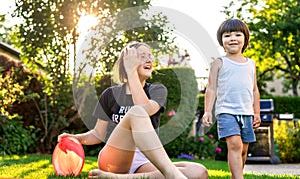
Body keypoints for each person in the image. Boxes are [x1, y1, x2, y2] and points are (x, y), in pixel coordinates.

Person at [58, 41, 208, 179]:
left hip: (143, 161)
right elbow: (98, 133)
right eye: (142, 57)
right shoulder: (110, 94)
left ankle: (120, 178)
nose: (149, 60)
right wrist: (77, 138)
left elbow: (145, 108)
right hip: (114, 158)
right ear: (128, 62)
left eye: (150, 56)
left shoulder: (158, 90)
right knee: (136, 113)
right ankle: (171, 175)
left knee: (199, 172)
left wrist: (133, 75)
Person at [201, 19, 261, 179]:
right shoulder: (219, 63)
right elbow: (211, 88)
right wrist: (207, 111)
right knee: (235, 144)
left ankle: (236, 176)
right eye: (227, 35)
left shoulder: (251, 64)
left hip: (247, 113)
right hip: (227, 112)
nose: (232, 38)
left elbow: (255, 90)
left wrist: (257, 112)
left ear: (245, 39)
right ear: (222, 41)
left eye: (237, 34)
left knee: (243, 149)